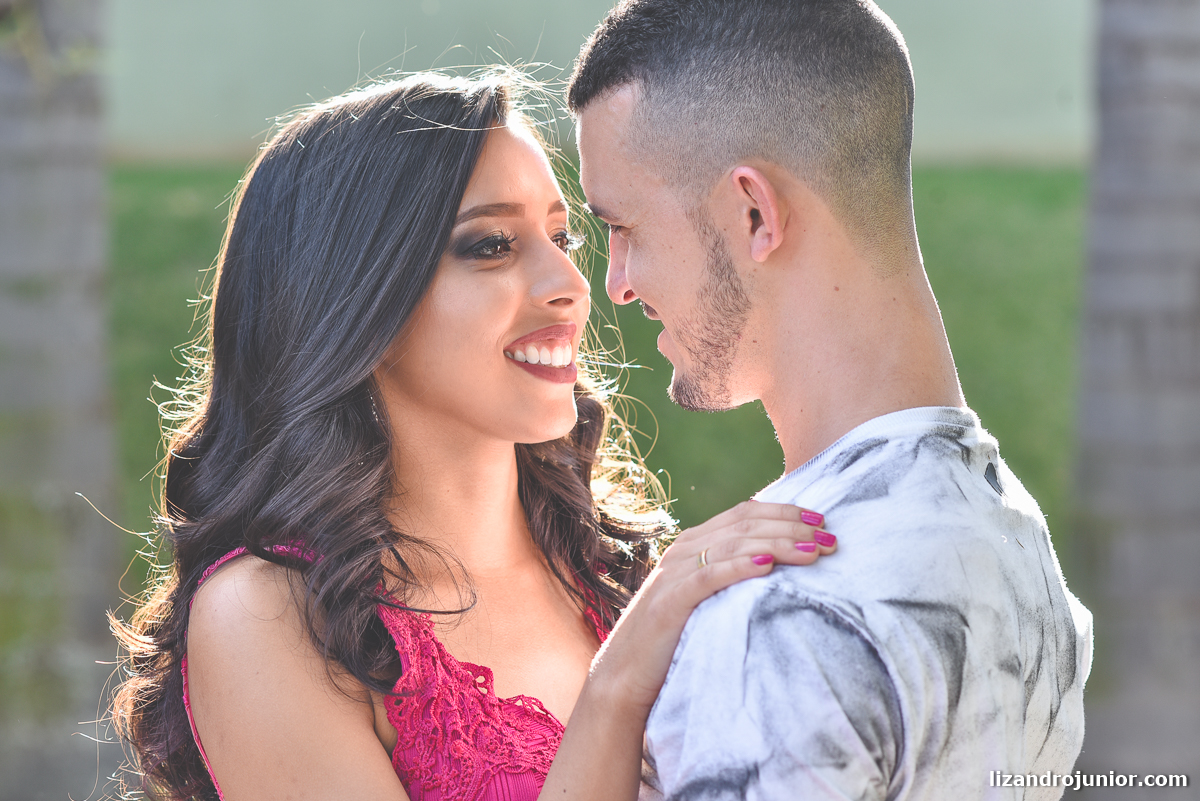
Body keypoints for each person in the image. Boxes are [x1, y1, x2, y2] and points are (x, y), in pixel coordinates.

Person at [108, 70, 837, 801]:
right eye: (492, 244)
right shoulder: (271, 614)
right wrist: (617, 683)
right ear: (359, 300)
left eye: (562, 236)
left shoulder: (618, 572)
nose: (571, 283)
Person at [568, 1, 1093, 799]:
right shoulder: (1022, 549)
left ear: (754, 212)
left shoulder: (774, 625)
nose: (617, 283)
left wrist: (612, 689)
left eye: (624, 226)